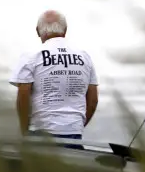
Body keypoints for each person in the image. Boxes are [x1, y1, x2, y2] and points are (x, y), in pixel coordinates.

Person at [8, 9, 99, 141]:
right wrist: (77, 126)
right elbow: (93, 100)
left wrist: (24, 131)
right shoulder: (84, 57)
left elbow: (23, 94)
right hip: (74, 133)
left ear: (38, 31)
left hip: (40, 133)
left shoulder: (30, 56)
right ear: (65, 30)